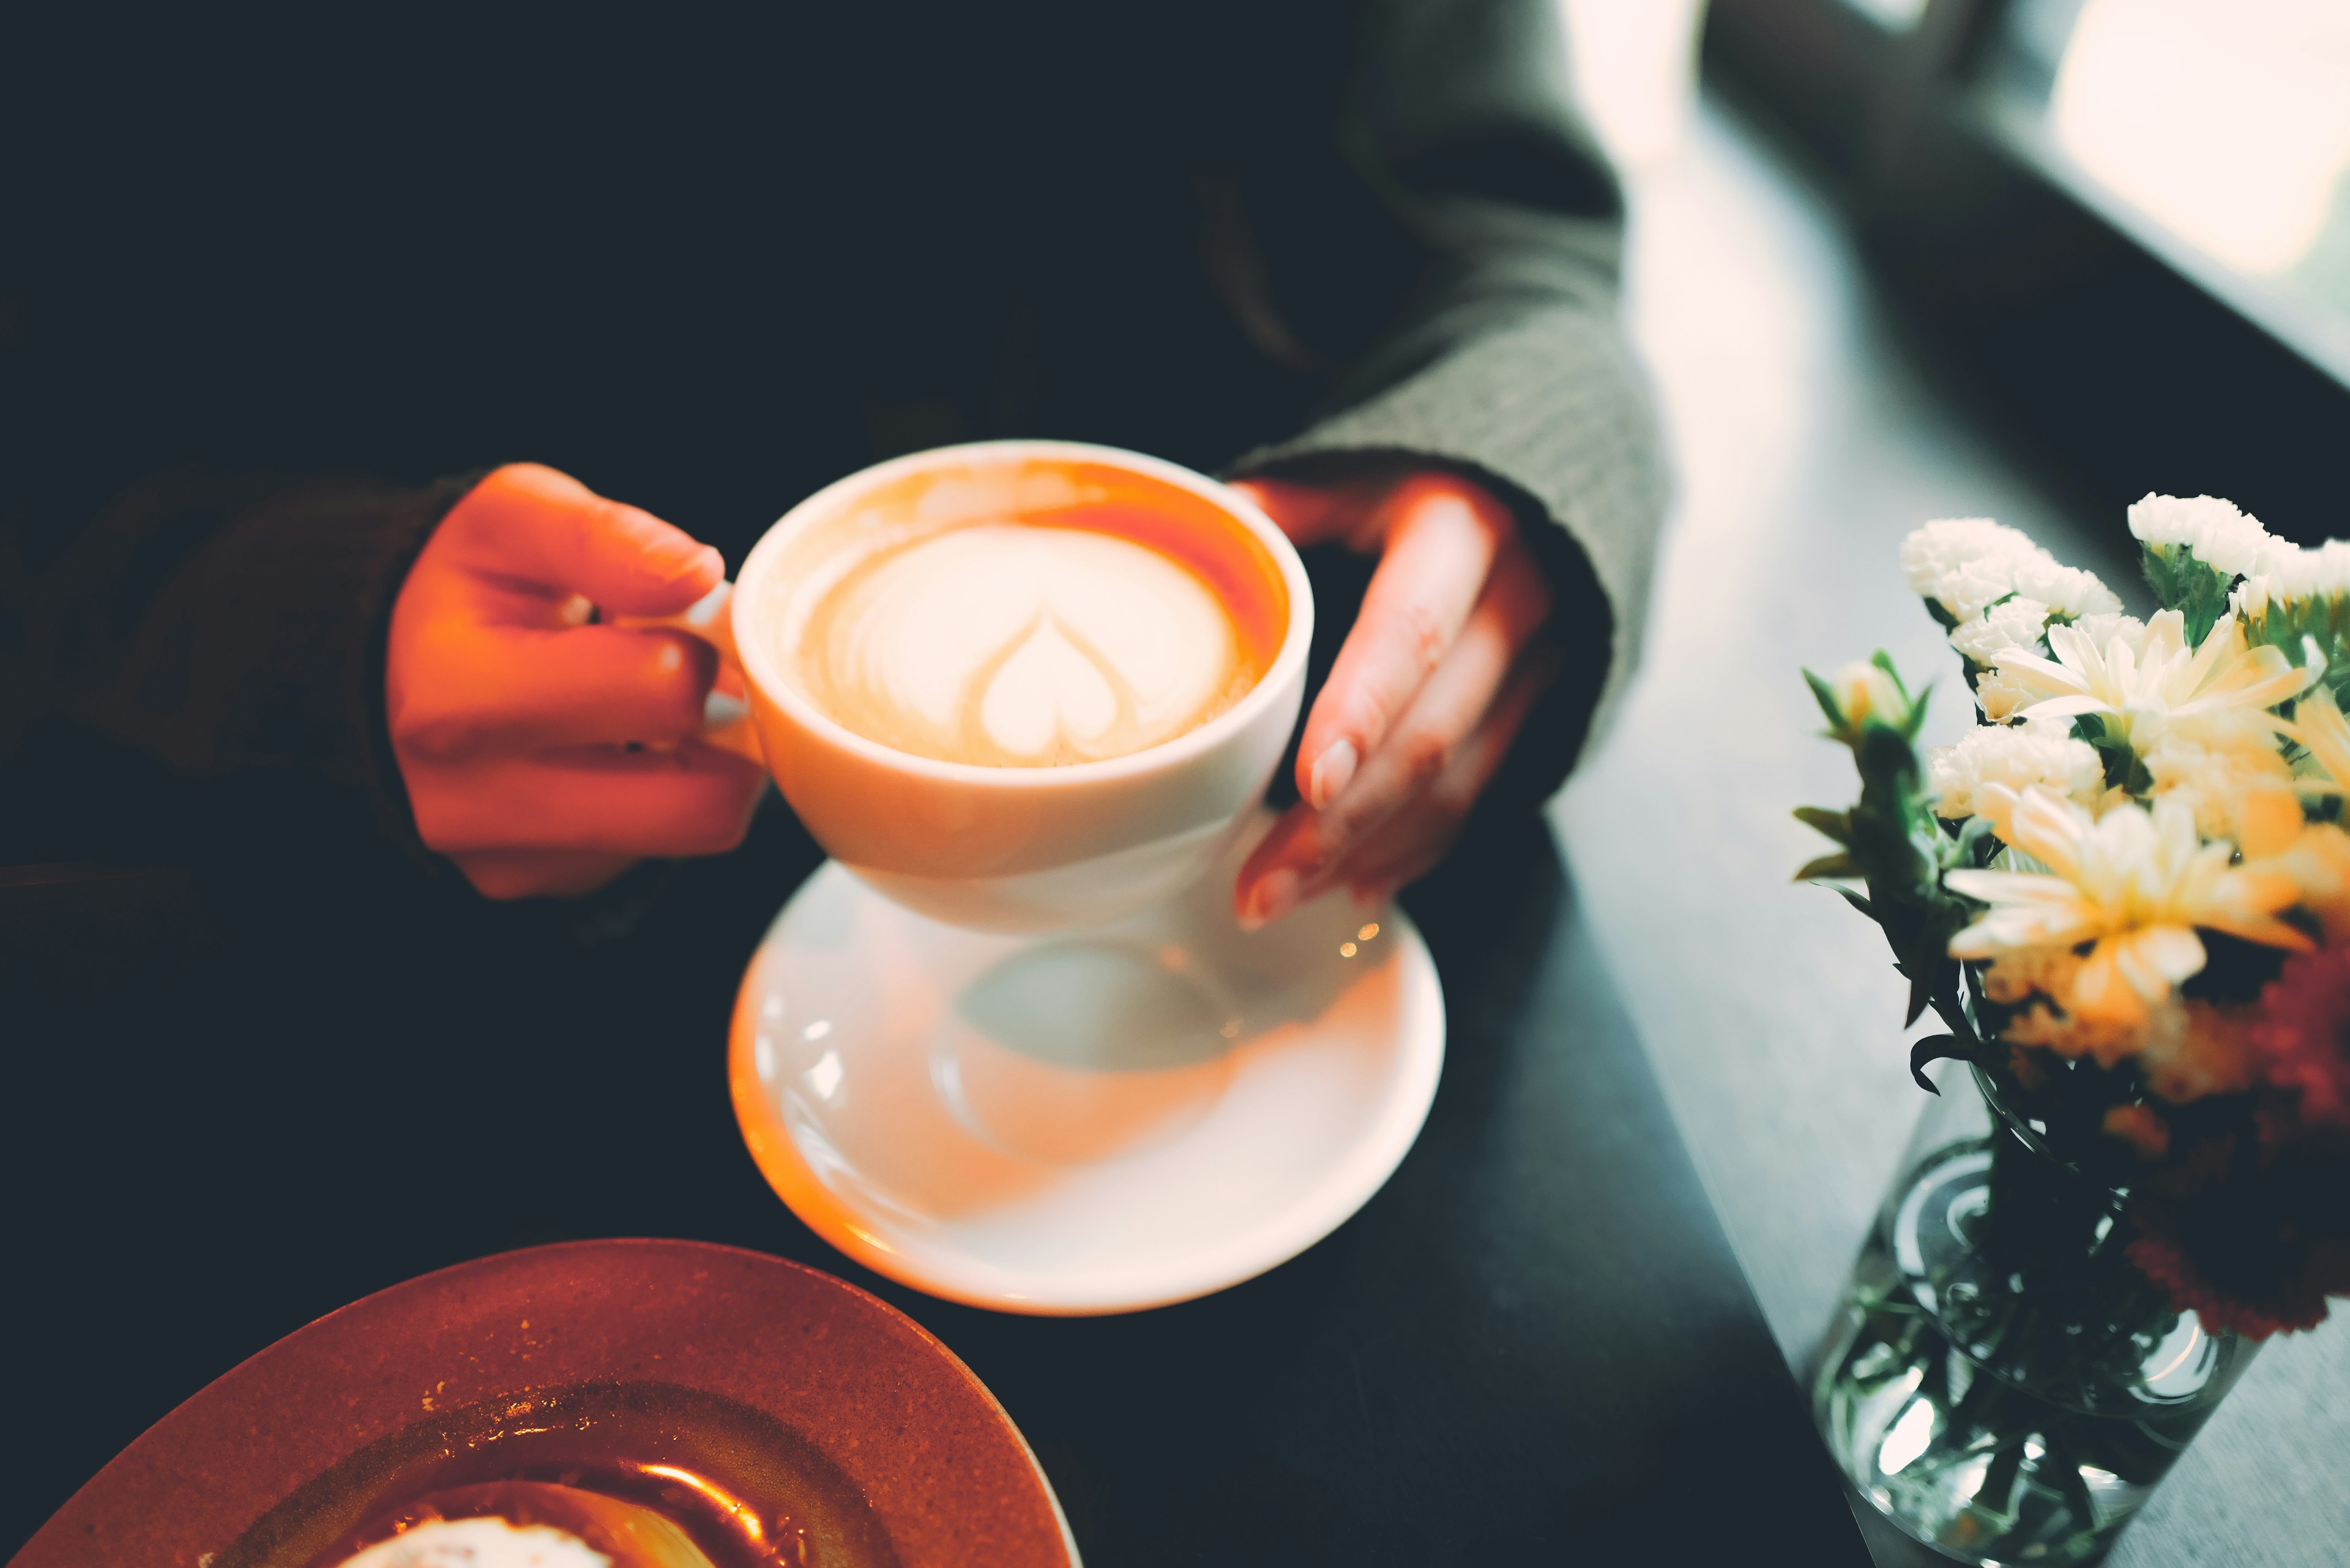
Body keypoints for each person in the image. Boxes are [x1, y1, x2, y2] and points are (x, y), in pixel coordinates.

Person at [1, 0, 1661, 922]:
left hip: (1252, 886)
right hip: (398, 938)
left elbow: (1518, 250)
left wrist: (1513, 464)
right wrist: (308, 630)